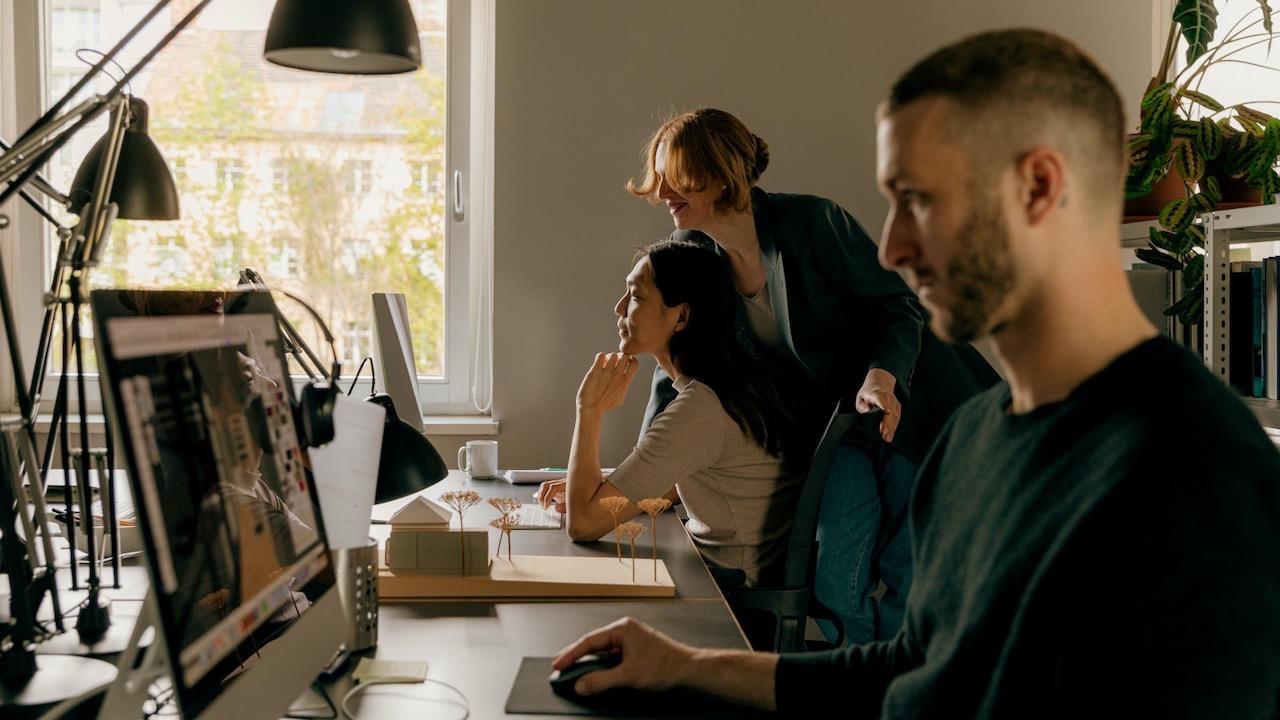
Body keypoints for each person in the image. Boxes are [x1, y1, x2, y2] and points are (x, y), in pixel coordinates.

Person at [549, 29, 1280, 717]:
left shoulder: (1195, 469)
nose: (892, 247)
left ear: (1037, 186)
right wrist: (681, 663)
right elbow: (911, 669)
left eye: (917, 201)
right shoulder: (970, 441)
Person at [626, 107, 998, 643]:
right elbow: (681, 365)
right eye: (657, 178)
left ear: (719, 171)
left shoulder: (812, 223)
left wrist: (882, 375)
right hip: (840, 430)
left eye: (673, 177)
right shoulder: (694, 254)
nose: (661, 192)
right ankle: (857, 676)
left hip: (913, 408)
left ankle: (898, 688)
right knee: (836, 578)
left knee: (907, 567)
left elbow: (899, 308)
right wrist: (640, 476)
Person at [537, 239, 804, 589]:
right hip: (720, 572)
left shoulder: (701, 408)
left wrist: (588, 409)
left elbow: (584, 525)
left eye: (635, 296)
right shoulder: (729, 385)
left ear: (682, 317)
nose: (619, 308)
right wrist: (603, 486)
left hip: (728, 593)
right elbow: (676, 483)